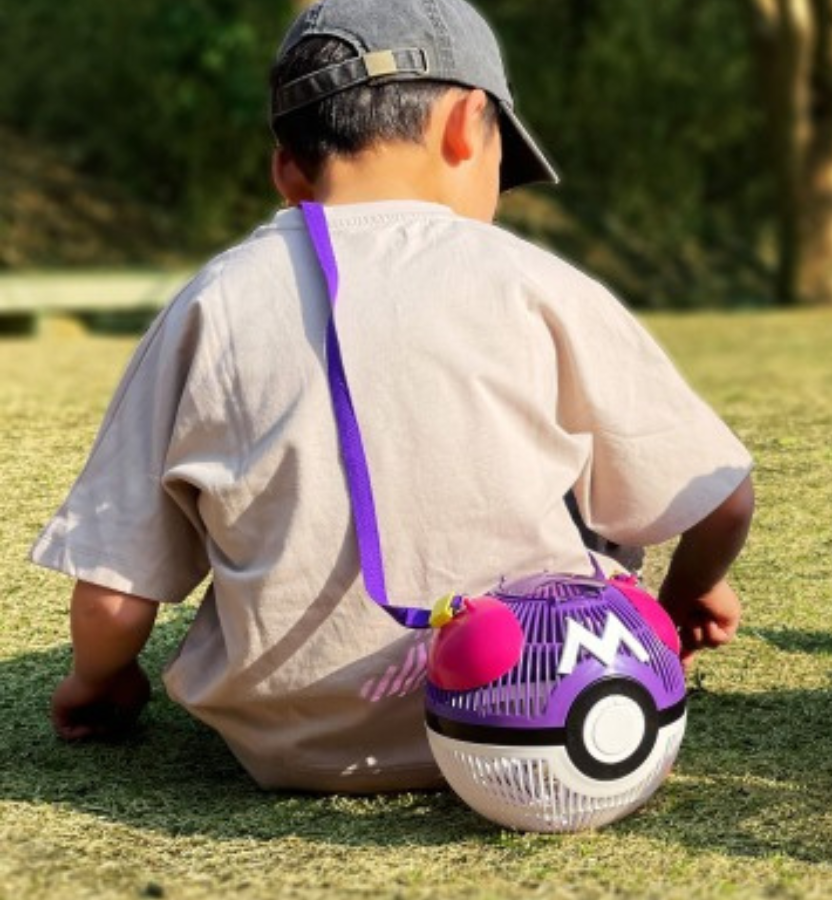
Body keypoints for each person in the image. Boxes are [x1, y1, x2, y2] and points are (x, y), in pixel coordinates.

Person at [32, 0, 754, 793]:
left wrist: (98, 683)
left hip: (288, 746)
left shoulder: (212, 301)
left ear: (287, 171)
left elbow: (114, 588)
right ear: (465, 124)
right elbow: (722, 500)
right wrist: (689, 593)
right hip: (534, 715)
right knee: (587, 497)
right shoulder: (531, 281)